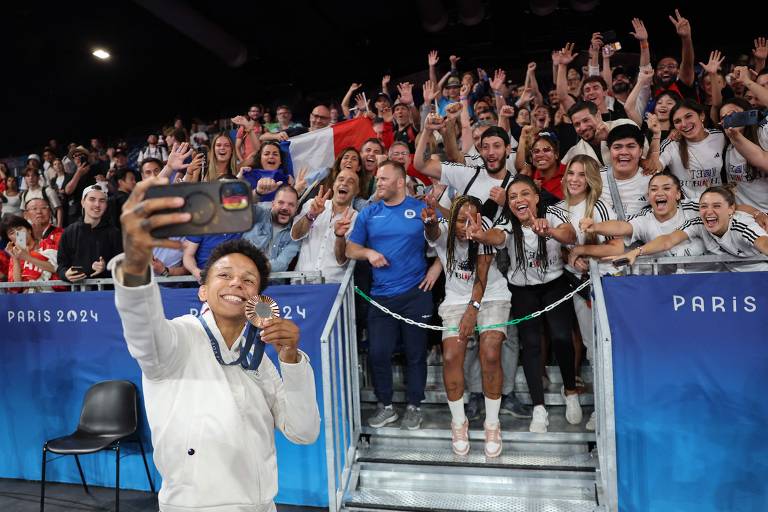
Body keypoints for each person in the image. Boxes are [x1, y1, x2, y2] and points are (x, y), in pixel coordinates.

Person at [111, 177, 319, 511]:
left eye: (249, 279)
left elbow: (303, 432)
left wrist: (291, 360)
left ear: (259, 298)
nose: (237, 282)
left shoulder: (261, 360)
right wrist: (136, 261)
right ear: (203, 290)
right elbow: (141, 328)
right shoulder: (178, 339)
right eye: (224, 275)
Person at [470, 175, 580, 433]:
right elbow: (497, 237)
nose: (519, 200)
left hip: (554, 285)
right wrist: (482, 236)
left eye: (524, 194)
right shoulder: (507, 220)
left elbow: (570, 234)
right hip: (522, 291)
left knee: (562, 337)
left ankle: (571, 392)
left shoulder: (552, 213)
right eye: (513, 196)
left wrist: (549, 231)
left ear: (536, 197)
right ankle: (539, 408)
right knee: (530, 345)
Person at [346, 160, 432, 430]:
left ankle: (414, 405)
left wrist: (436, 272)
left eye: (383, 178)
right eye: (377, 178)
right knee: (378, 353)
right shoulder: (369, 214)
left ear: (399, 182)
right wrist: (369, 253)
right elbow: (350, 249)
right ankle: (386, 406)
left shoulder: (420, 210)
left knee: (416, 353)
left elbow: (444, 243)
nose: (378, 182)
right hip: (381, 296)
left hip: (416, 293)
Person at [424, 195, 510, 457]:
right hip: (455, 299)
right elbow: (433, 231)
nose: (466, 225)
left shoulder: (484, 232)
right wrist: (428, 221)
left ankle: (492, 424)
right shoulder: (445, 231)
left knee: (491, 352)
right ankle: (458, 422)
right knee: (451, 356)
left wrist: (472, 311)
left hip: (491, 295)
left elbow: (482, 275)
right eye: (461, 220)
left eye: (472, 219)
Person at [609, 186, 768, 273]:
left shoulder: (742, 226)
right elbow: (667, 240)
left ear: (731, 209)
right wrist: (635, 252)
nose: (709, 211)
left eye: (717, 206)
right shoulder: (698, 223)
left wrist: (757, 213)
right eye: (703, 206)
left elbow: (764, 244)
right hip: (736, 281)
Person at [581, 171, 705, 274]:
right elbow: (621, 226)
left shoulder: (698, 207)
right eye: (654, 189)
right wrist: (596, 227)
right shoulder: (644, 218)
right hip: (674, 285)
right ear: (649, 196)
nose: (660, 193)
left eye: (666, 188)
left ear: (678, 194)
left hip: (712, 278)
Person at [647, 99, 726, 200]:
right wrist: (657, 134)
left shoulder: (719, 136)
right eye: (677, 121)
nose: (684, 124)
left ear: (702, 115)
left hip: (718, 204)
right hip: (688, 208)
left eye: (688, 116)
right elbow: (653, 169)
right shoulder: (671, 144)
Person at [291, 172, 359, 283]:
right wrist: (311, 215)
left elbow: (342, 259)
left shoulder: (357, 218)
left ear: (357, 190)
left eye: (351, 181)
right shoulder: (312, 204)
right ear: (334, 185)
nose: (344, 183)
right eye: (340, 179)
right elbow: (295, 235)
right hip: (301, 282)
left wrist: (340, 236)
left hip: (332, 286)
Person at [56, 185, 122, 282]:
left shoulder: (114, 233)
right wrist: (66, 274)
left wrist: (105, 268)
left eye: (102, 201)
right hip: (76, 294)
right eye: (92, 199)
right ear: (83, 202)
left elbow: (122, 267)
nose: (97, 204)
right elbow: (61, 265)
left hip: (106, 294)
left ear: (106, 205)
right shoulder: (69, 232)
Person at [720, 98, 768, 211]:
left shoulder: (764, 135)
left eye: (733, 114)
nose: (730, 119)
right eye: (724, 117)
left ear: (747, 113)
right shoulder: (724, 147)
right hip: (745, 214)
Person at [561, 101, 643, 166]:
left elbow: (645, 159)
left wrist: (609, 138)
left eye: (586, 120)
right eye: (577, 124)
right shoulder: (576, 152)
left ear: (598, 116)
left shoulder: (624, 125)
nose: (583, 128)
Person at [242, 185, 301, 272]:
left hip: (273, 282)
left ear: (296, 209)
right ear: (273, 204)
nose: (285, 208)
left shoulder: (295, 233)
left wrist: (253, 268)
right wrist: (257, 192)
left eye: (291, 204)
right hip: (243, 277)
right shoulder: (260, 214)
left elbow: (281, 264)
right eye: (281, 202)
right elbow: (240, 207)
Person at [599, 124, 654, 218]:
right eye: (617, 147)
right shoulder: (595, 178)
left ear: (640, 151)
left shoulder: (653, 180)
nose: (624, 152)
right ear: (609, 150)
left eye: (631, 146)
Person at [3, 216, 59, 293]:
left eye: (19, 229)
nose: (17, 233)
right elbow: (16, 287)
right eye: (12, 233)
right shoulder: (15, 254)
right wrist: (15, 258)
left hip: (51, 294)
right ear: (10, 239)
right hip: (28, 298)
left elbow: (54, 268)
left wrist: (27, 257)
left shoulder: (47, 244)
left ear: (29, 230)